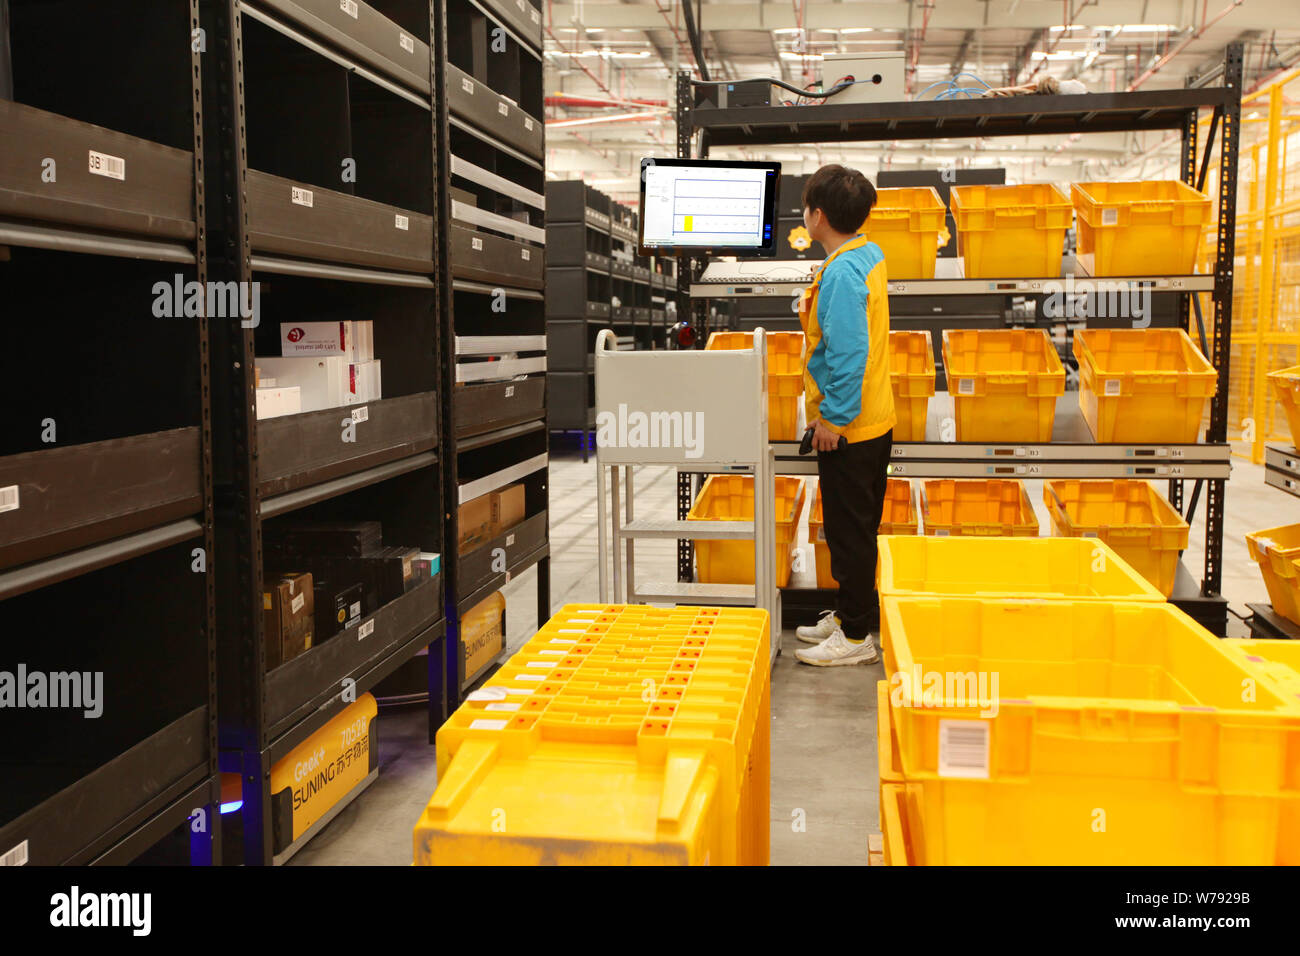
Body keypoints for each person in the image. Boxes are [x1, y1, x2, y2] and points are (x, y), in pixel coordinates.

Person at [792, 164, 896, 666]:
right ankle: (847, 611)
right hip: (875, 419)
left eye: (806, 207)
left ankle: (856, 637)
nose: (804, 215)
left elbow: (850, 352)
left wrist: (832, 419)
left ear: (818, 216)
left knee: (848, 533)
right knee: (855, 528)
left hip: (851, 428)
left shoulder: (840, 273)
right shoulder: (866, 254)